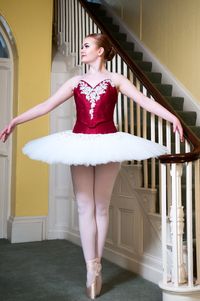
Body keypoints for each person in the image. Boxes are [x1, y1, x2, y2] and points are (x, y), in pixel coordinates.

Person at [0, 33, 183, 299]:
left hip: (109, 143)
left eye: (86, 46)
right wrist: (15, 120)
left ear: (100, 51)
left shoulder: (116, 80)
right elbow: (47, 105)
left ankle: (97, 267)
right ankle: (91, 270)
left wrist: (172, 116)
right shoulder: (75, 81)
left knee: (100, 207)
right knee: (85, 206)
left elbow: (145, 101)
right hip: (79, 143)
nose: (82, 49)